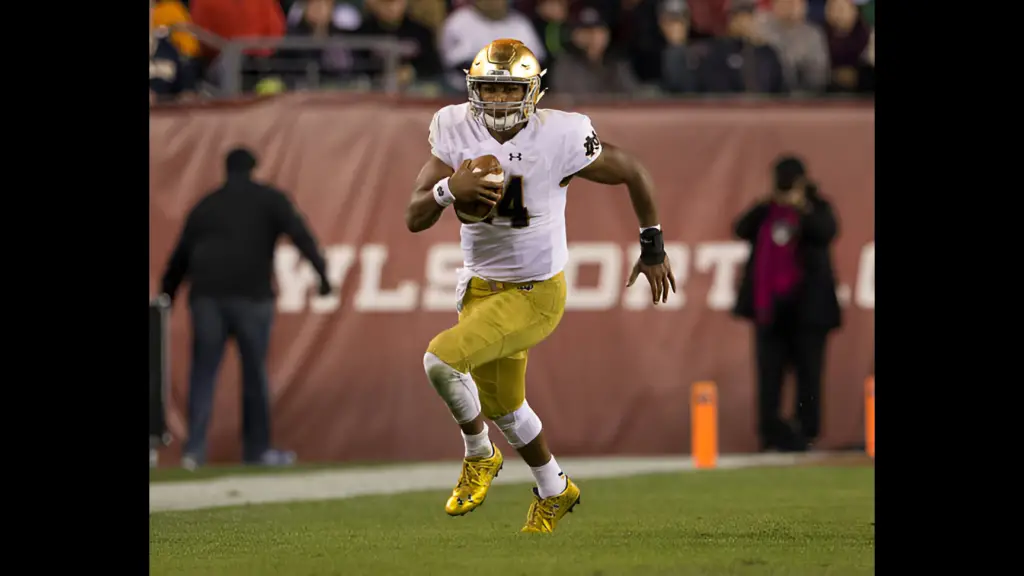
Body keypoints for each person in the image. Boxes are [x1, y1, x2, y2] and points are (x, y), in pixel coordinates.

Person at [404, 38, 676, 534]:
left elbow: (633, 171)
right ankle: (556, 489)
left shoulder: (561, 135)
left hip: (535, 291)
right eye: (490, 88)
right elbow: (414, 216)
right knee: (506, 407)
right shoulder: (454, 126)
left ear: (533, 92)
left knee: (440, 361)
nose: (500, 101)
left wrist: (652, 245)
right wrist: (448, 190)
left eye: (510, 91)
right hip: (481, 288)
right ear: (472, 87)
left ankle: (478, 455)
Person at [160, 148, 333, 470]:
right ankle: (257, 451)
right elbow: (301, 235)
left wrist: (165, 295)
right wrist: (322, 275)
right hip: (252, 297)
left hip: (207, 297)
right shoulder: (269, 199)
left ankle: (193, 452)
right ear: (254, 169)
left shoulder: (206, 205)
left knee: (203, 373)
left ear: (226, 170)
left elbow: (180, 255)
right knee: (254, 374)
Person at [731, 155, 842, 452]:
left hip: (809, 311)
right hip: (770, 310)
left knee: (809, 375)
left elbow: (828, 231)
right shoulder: (767, 210)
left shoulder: (816, 208)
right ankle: (770, 433)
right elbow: (740, 228)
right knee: (769, 376)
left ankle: (807, 433)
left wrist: (802, 206)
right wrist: (767, 203)